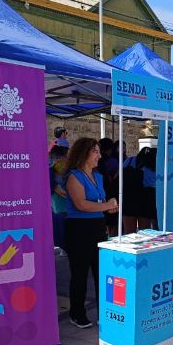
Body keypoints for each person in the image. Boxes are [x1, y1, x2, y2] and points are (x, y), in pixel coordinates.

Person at [64, 138, 118, 328]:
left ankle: (105, 312)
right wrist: (106, 205)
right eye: (96, 151)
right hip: (78, 229)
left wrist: (108, 206)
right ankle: (76, 313)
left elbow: (98, 202)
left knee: (100, 271)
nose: (100, 155)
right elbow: (81, 205)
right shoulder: (73, 176)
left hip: (97, 227)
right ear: (84, 153)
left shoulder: (99, 176)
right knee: (79, 273)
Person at [98, 138, 120, 236]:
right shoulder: (112, 161)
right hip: (110, 190)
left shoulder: (101, 162)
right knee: (113, 219)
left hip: (103, 191)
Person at [49, 144, 69, 214]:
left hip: (60, 206)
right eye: (66, 155)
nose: (67, 158)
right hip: (60, 207)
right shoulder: (53, 171)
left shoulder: (67, 171)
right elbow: (57, 189)